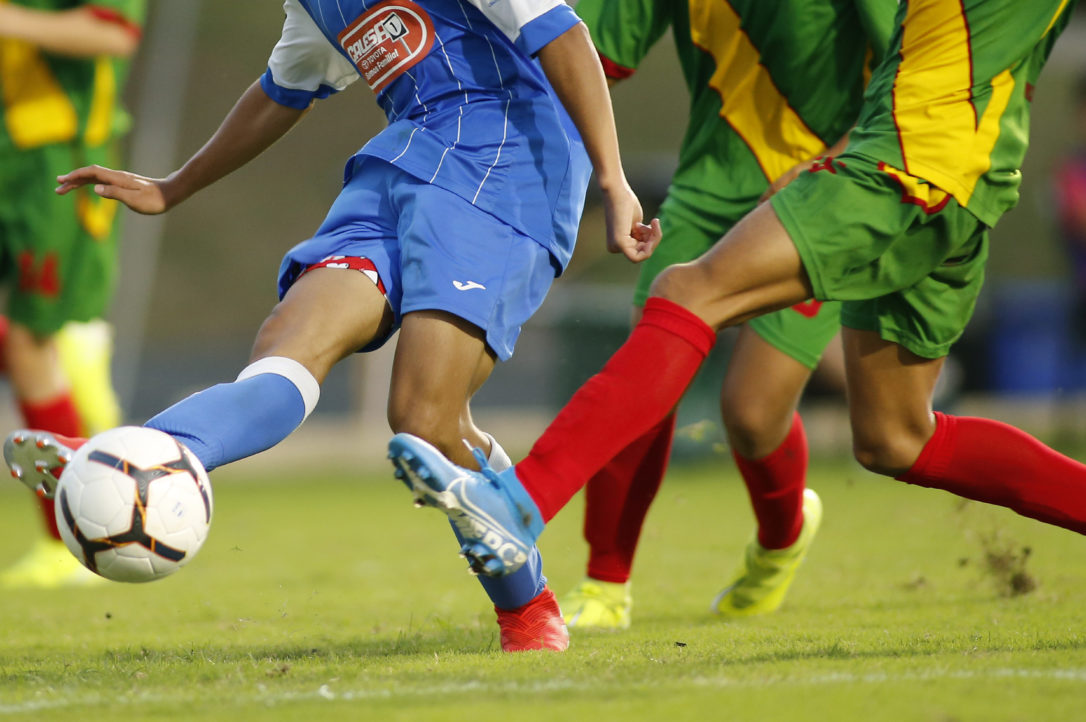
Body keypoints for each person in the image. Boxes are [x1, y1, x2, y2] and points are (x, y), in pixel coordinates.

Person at [4, 0, 659, 652]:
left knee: (424, 420)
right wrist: (174, 186)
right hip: (401, 163)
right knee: (285, 351)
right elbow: (281, 90)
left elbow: (562, 33)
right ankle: (137, 454)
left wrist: (612, 179)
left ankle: (527, 605)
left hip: (508, 167)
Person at [385, 0, 1086, 589]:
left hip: (901, 166)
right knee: (895, 437)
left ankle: (520, 503)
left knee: (688, 297)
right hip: (967, 180)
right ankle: (606, 569)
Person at [557, 0, 895, 629]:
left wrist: (828, 166)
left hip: (826, 194)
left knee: (752, 415)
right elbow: (589, 56)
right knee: (643, 381)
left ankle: (781, 539)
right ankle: (605, 584)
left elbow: (910, 81)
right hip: (704, 192)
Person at [0, 0, 142, 589]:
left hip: (54, 164)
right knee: (26, 347)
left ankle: (70, 541)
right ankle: (80, 385)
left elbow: (113, 34)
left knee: (30, 343)